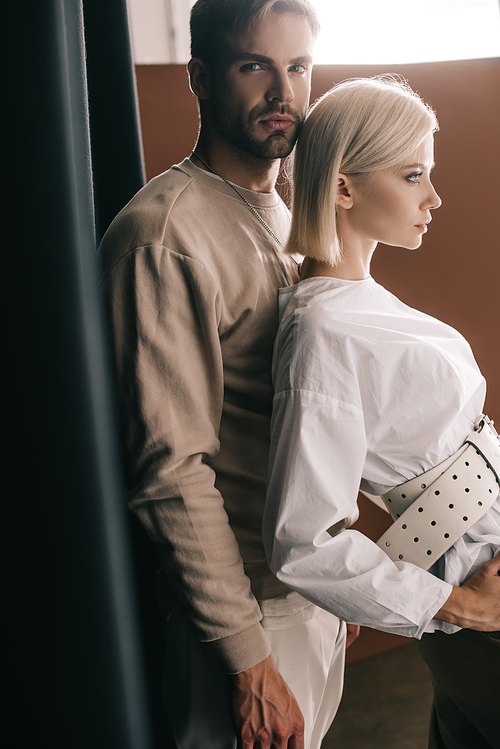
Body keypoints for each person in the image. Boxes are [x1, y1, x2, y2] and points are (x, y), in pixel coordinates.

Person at [99, 2, 352, 748]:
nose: (284, 91)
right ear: (202, 78)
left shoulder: (286, 211)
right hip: (244, 619)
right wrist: (248, 660)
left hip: (307, 591)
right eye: (256, 66)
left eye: (298, 67)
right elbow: (170, 470)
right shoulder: (165, 235)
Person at [263, 76, 500, 749]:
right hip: (481, 601)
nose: (434, 197)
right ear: (344, 187)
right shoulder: (322, 331)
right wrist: (457, 605)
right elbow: (301, 541)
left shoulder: (357, 301)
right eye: (413, 174)